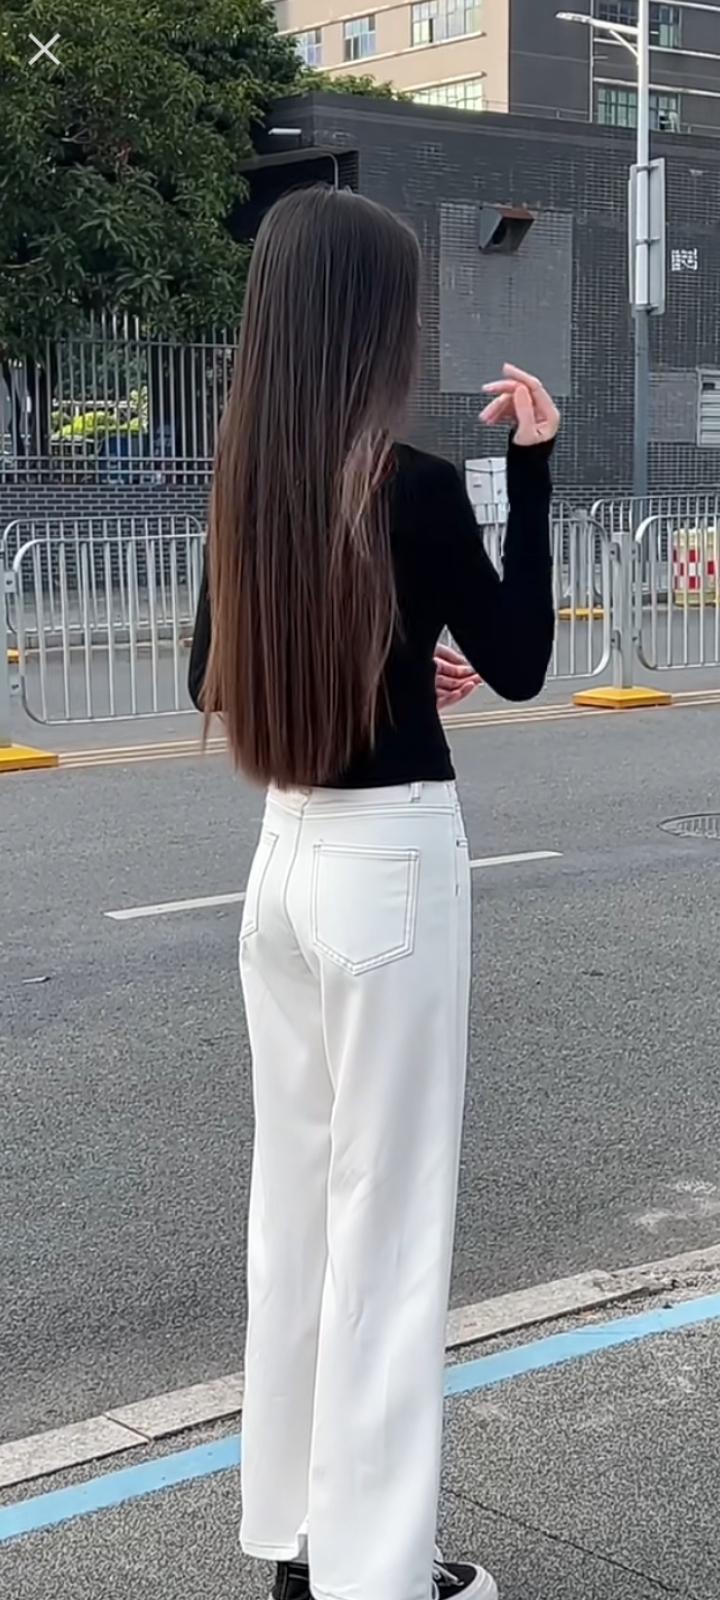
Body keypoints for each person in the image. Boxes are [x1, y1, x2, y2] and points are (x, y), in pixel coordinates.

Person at [189, 185, 559, 1600]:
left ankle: (298, 1546)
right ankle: (379, 1574)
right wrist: (532, 467)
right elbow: (522, 659)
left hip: (279, 870)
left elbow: (210, 677)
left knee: (293, 1221)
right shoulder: (414, 484)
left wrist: (399, 660)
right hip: (388, 873)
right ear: (374, 325)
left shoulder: (247, 478)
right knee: (390, 1235)